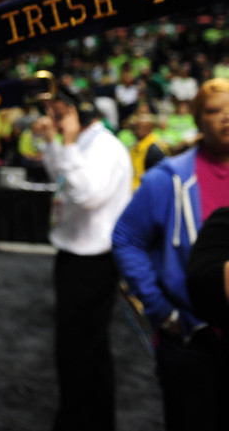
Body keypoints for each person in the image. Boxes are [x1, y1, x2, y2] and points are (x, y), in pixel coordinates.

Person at [113, 78, 229, 431]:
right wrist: (160, 309)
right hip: (190, 336)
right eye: (214, 111)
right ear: (198, 120)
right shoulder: (170, 178)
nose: (226, 118)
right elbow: (126, 238)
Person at [31, 85, 132, 431]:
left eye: (59, 113)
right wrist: (51, 144)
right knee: (76, 350)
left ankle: (86, 421)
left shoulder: (105, 148)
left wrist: (67, 143)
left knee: (84, 350)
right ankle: (81, 418)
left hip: (93, 263)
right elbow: (60, 178)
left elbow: (87, 195)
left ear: (81, 112)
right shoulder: (85, 144)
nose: (53, 119)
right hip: (76, 256)